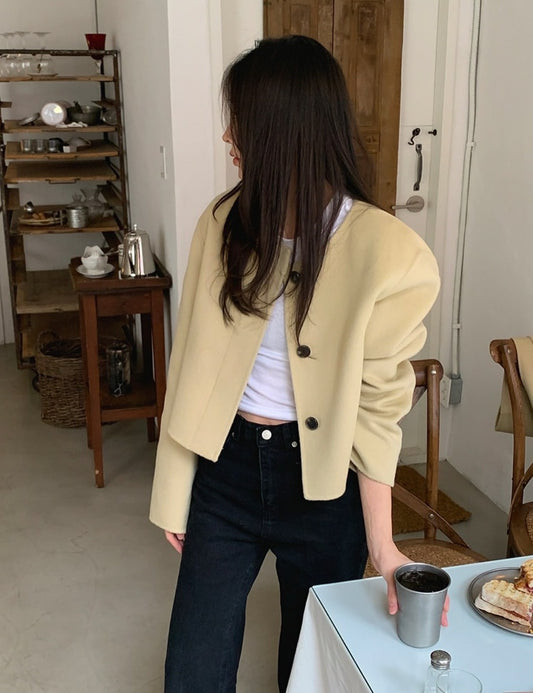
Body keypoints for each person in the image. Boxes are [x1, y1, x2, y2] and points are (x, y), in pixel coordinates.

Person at [150, 35, 441, 693]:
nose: (229, 137)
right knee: (192, 669)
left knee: (308, 671)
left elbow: (377, 408)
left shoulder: (389, 254)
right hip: (224, 472)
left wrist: (382, 544)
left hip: (323, 487)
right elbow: (191, 359)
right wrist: (174, 486)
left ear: (281, 132)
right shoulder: (223, 222)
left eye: (240, 121)